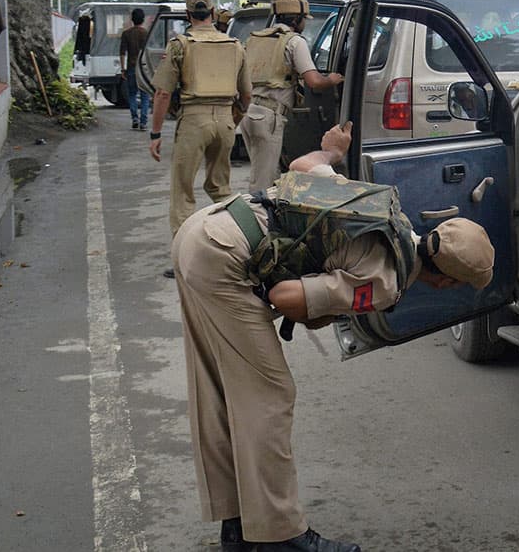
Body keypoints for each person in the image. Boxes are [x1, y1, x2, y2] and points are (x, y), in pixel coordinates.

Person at [171, 120, 495, 551]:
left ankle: (240, 525)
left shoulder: (384, 211)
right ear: (447, 282)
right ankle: (281, 537)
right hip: (224, 260)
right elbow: (287, 297)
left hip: (205, 228)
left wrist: (332, 152)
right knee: (269, 397)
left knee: (220, 391)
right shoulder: (385, 280)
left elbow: (306, 165)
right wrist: (288, 280)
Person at [149, 0, 251, 278]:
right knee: (221, 188)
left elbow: (162, 92)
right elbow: (247, 94)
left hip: (193, 119)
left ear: (187, 14)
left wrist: (155, 133)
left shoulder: (180, 45)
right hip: (225, 118)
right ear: (214, 11)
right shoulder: (235, 44)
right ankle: (239, 249)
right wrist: (233, 118)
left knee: (183, 192)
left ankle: (185, 259)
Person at [238, 0, 344, 193]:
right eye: (304, 19)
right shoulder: (294, 41)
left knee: (260, 171)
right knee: (263, 182)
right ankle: (259, 219)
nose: (305, 23)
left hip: (249, 112)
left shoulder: (256, 39)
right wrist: (331, 79)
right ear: (296, 19)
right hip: (269, 115)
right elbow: (314, 82)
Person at [120, 8, 151, 130]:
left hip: (131, 67)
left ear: (132, 19)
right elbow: (148, 52)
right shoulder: (146, 33)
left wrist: (123, 69)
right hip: (143, 69)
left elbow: (122, 53)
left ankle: (135, 118)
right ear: (143, 19)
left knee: (132, 94)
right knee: (145, 95)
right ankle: (143, 122)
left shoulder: (126, 34)